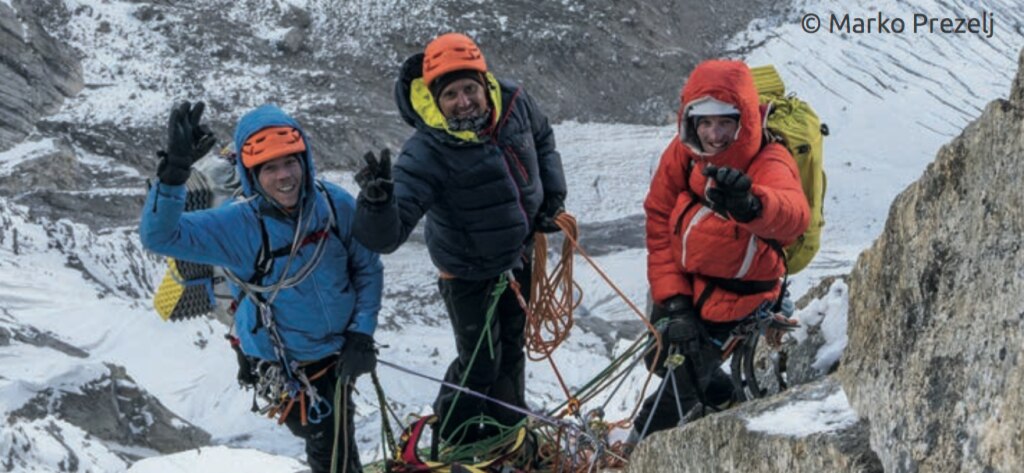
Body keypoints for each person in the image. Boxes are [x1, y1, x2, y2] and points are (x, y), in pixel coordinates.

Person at [139, 102, 383, 472]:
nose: (285, 176)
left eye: (290, 162)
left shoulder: (333, 204)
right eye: (270, 167)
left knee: (338, 443)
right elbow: (160, 235)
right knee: (332, 447)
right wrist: (174, 173)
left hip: (341, 350)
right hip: (293, 367)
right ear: (252, 174)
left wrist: (361, 334)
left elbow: (367, 268)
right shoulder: (239, 225)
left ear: (305, 160)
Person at [351, 32, 567, 443]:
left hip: (518, 256)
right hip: (467, 273)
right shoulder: (425, 152)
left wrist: (551, 197)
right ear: (435, 100)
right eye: (451, 94)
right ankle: (451, 442)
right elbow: (386, 237)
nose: (464, 101)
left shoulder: (514, 103)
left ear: (485, 84)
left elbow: (541, 138)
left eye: (470, 88)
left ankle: (507, 436)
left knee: (511, 353)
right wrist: (377, 204)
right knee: (480, 364)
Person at [635, 59, 810, 437]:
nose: (714, 134)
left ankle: (636, 448)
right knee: (661, 357)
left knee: (681, 379)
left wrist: (752, 204)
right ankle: (720, 393)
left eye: (725, 122)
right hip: (689, 288)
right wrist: (675, 302)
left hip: (737, 298)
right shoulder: (684, 154)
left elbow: (794, 215)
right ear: (691, 122)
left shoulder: (769, 157)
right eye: (705, 122)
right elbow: (659, 222)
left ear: (743, 121)